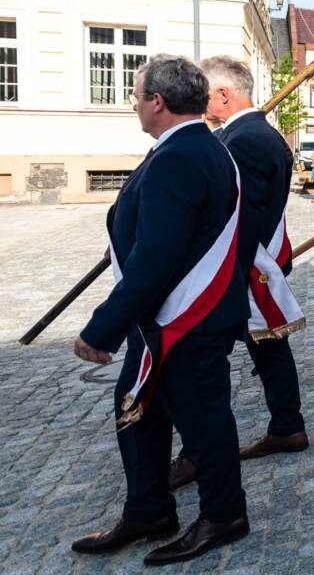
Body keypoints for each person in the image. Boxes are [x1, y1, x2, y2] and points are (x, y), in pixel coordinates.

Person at [71, 55, 249, 566]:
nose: (133, 103)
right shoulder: (192, 147)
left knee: (203, 422)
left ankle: (224, 514)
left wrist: (103, 327)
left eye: (136, 94)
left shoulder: (180, 156)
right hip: (169, 318)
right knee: (138, 411)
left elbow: (159, 256)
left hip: (185, 319)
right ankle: (148, 508)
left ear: (158, 101)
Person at [168, 57, 309, 492]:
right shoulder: (250, 133)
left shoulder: (243, 140)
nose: (199, 101)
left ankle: (199, 454)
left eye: (205, 93)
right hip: (247, 268)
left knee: (199, 364)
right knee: (269, 349)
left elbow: (234, 218)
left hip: (234, 271)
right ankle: (287, 425)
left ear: (225, 95)